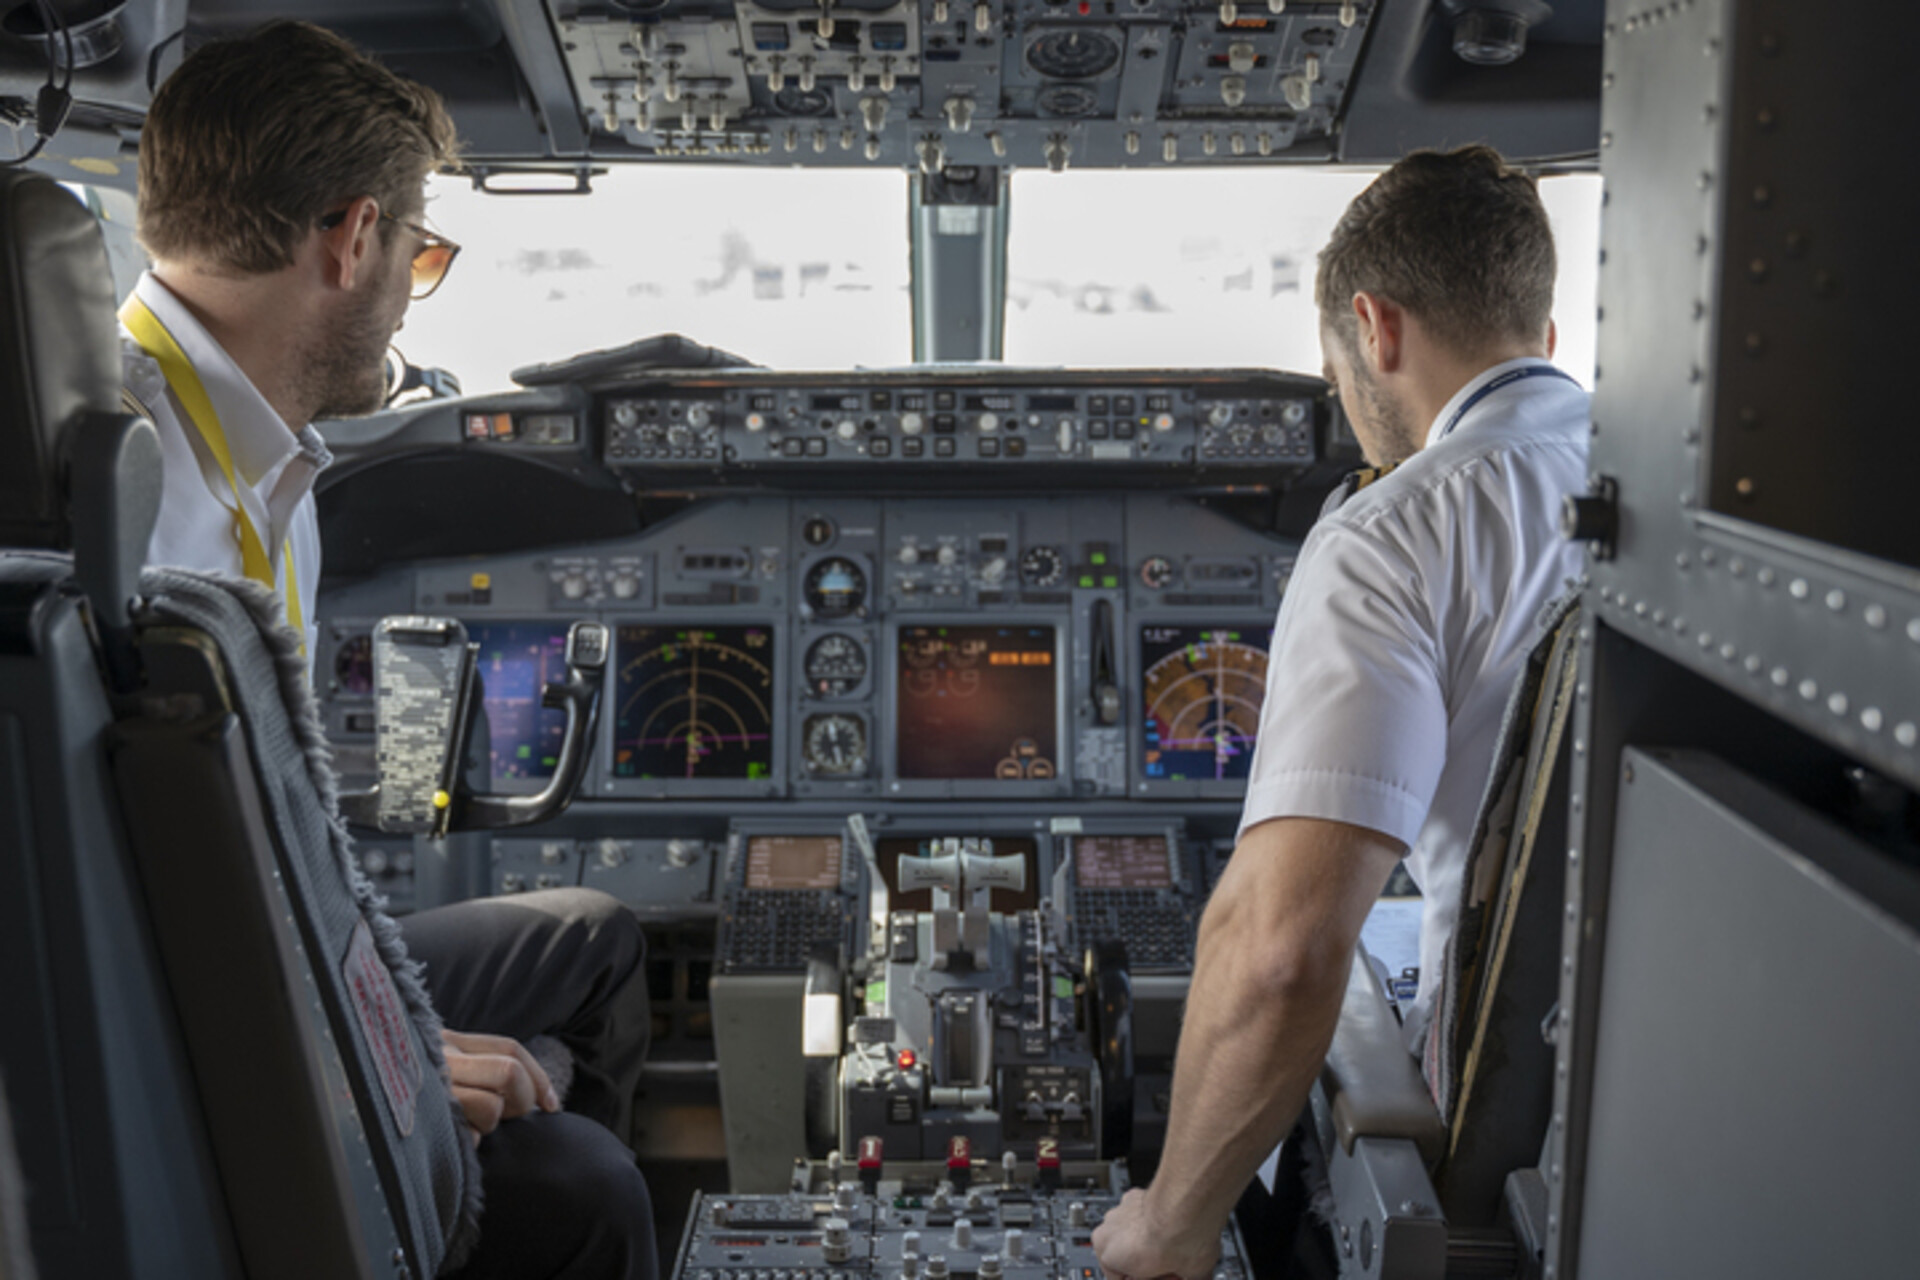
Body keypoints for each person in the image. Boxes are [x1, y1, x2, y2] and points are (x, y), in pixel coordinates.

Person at [123, 21, 656, 1279]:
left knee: (591, 936)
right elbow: (134, 922)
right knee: (587, 1186)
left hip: (263, 946)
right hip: (187, 1024)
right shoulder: (122, 500)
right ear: (353, 238)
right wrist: (372, 1055)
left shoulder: (254, 461)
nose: (410, 282)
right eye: (420, 253)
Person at [1092, 146, 1589, 1278]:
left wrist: (1169, 1223)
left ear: (1375, 329)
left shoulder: (1397, 531)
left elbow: (1283, 949)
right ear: (1543, 339)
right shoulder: (1687, 497)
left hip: (1500, 1149)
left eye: (1334, 380)